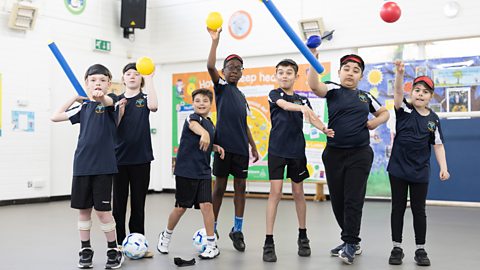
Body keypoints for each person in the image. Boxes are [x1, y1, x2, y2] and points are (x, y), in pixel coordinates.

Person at [307, 50, 390, 265]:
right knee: (338, 201)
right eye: (347, 69)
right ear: (339, 71)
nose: (350, 74)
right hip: (333, 154)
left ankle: (351, 243)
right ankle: (349, 239)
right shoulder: (333, 89)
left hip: (360, 154)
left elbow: (385, 113)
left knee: (353, 199)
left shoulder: (365, 96)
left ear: (361, 76)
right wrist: (312, 58)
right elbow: (315, 85)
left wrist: (375, 122)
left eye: (356, 71)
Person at [50, 64, 123, 269]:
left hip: (103, 166)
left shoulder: (112, 102)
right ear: (86, 84)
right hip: (82, 165)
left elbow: (105, 100)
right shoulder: (83, 107)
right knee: (83, 210)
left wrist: (100, 97)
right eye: (92, 80)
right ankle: (85, 249)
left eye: (102, 80)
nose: (97, 83)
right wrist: (75, 97)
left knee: (103, 212)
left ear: (109, 83)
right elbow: (55, 116)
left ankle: (112, 249)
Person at [263, 59, 335, 262]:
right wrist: (301, 109)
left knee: (298, 193)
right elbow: (284, 105)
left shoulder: (303, 99)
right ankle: (268, 241)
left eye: (288, 72)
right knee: (275, 193)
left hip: (296, 151)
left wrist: (323, 129)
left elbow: (312, 117)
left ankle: (303, 236)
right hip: (277, 150)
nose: (284, 75)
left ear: (296, 76)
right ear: (276, 76)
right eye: (280, 72)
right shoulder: (274, 94)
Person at [387, 61, 450, 266]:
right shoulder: (404, 110)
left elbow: (438, 145)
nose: (420, 94)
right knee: (397, 207)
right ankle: (397, 247)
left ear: (430, 97)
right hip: (398, 169)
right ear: (411, 93)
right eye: (416, 90)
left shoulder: (433, 119)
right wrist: (399, 74)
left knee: (418, 210)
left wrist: (443, 167)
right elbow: (397, 93)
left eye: (425, 92)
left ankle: (420, 249)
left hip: (420, 171)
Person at [206, 27, 259, 252]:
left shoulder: (241, 95)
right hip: (222, 149)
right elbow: (209, 66)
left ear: (242, 72)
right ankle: (213, 227)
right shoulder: (222, 88)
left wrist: (253, 146)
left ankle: (237, 230)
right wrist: (215, 41)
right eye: (230, 67)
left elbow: (243, 124)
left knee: (241, 187)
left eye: (238, 68)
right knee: (218, 188)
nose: (234, 71)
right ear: (224, 71)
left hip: (240, 150)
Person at [156, 88, 225, 259]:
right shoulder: (192, 118)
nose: (201, 103)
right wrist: (204, 133)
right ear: (193, 103)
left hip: (203, 171)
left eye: (205, 101)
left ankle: (211, 245)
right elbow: (195, 128)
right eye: (197, 101)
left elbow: (205, 142)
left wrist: (214, 147)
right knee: (181, 208)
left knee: (206, 206)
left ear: (211, 104)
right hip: (186, 171)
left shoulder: (210, 123)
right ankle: (165, 236)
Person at [113, 63, 158, 257]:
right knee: (119, 205)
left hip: (141, 159)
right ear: (123, 78)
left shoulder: (145, 98)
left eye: (136, 74)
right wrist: (119, 112)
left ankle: (139, 243)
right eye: (128, 74)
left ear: (141, 78)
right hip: (118, 160)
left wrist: (149, 78)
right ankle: (118, 244)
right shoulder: (115, 99)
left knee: (138, 204)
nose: (132, 76)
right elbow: (111, 125)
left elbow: (154, 106)